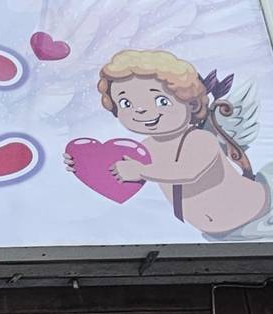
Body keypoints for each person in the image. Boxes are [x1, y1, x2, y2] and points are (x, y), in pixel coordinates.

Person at [65, 50, 272, 240]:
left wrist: (141, 171)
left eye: (160, 101)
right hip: (219, 236)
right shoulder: (143, 149)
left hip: (260, 216)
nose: (140, 110)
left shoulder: (199, 138)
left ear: (191, 103)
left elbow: (188, 171)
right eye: (126, 103)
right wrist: (84, 164)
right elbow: (115, 174)